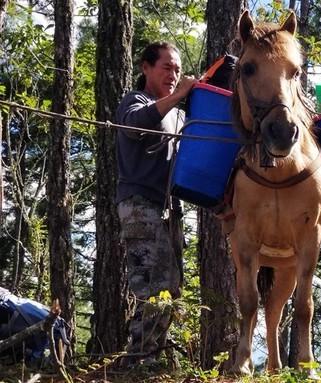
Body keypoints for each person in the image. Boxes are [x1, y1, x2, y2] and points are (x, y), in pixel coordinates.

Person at [115, 41, 197, 365]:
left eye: (177, 70)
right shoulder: (136, 101)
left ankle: (151, 357)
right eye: (167, 67)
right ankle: (137, 362)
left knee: (171, 289)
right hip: (139, 204)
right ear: (145, 68)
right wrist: (178, 96)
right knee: (153, 286)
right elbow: (135, 125)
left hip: (167, 210)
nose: (174, 74)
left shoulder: (175, 114)